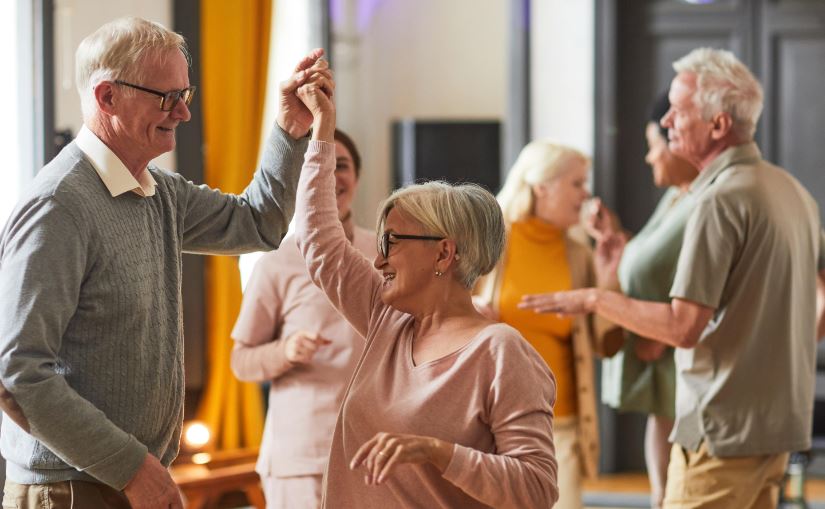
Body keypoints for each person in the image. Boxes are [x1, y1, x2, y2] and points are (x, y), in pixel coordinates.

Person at [0, 17, 330, 509]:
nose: (184, 112)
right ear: (107, 97)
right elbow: (17, 374)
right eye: (166, 97)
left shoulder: (158, 192)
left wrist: (289, 128)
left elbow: (258, 223)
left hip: (119, 481)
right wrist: (131, 467)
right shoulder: (59, 205)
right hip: (71, 490)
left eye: (186, 93)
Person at [520, 47, 825, 509]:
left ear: (718, 125)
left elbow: (683, 328)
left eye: (678, 113)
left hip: (721, 433)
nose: (666, 124)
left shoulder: (716, 201)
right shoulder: (793, 191)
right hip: (779, 430)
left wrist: (593, 299)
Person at [290, 71, 558, 508]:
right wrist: (321, 129)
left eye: (391, 242)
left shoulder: (500, 352)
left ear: (443, 253)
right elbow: (318, 238)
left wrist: (438, 453)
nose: (379, 260)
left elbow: (537, 488)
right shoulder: (386, 319)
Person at [474, 140, 622, 509]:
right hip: (491, 423)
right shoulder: (488, 243)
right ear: (542, 186)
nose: (586, 194)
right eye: (577, 183)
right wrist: (473, 311)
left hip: (561, 427)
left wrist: (608, 279)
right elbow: (441, 314)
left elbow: (608, 344)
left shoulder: (579, 254)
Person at [231, 129, 371, 509]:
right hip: (304, 457)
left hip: (377, 453)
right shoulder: (276, 262)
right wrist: (286, 351)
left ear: (356, 177)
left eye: (340, 166)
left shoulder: (385, 252)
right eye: (318, 166)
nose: (330, 176)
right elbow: (241, 361)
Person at [588, 93, 698, 509]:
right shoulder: (674, 198)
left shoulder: (705, 205)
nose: (650, 157)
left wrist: (667, 335)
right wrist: (618, 241)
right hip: (661, 366)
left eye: (654, 145)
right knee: (664, 492)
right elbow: (653, 258)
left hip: (679, 355)